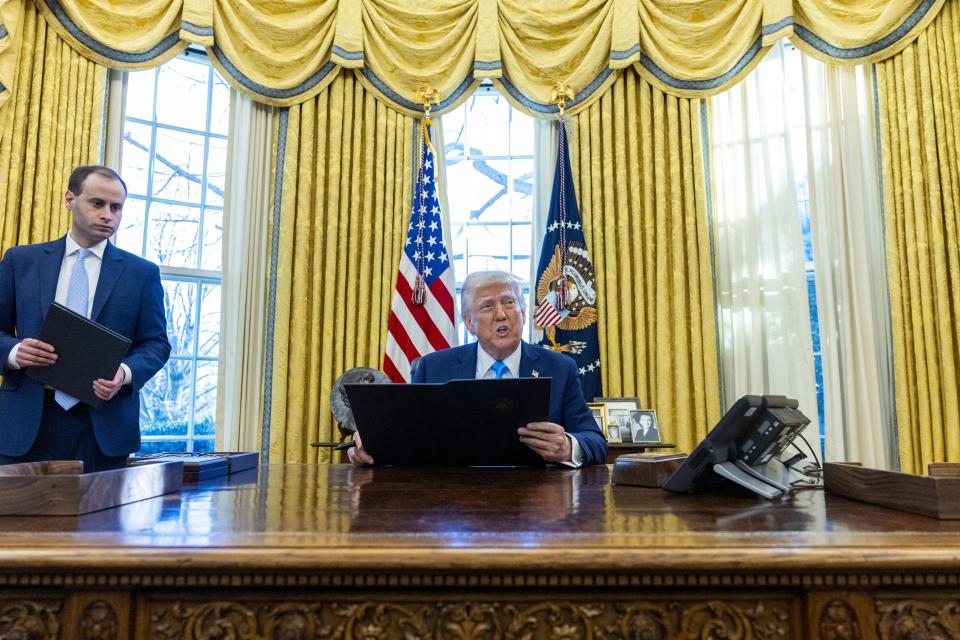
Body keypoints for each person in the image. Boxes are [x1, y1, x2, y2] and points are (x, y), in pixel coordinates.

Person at [0, 165, 171, 472]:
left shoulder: (142, 274)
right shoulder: (20, 261)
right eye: (97, 203)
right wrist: (15, 352)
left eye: (116, 207)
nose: (108, 215)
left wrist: (124, 372)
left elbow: (156, 344)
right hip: (25, 423)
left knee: (100, 508)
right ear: (70, 200)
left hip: (104, 429)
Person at [349, 270, 607, 466]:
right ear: (469, 322)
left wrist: (567, 447)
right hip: (453, 499)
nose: (501, 314)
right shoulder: (434, 368)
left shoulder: (560, 368)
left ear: (523, 312)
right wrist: (370, 442)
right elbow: (407, 436)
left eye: (509, 303)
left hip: (538, 499)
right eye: (487, 306)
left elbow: (595, 441)